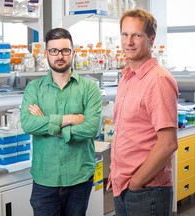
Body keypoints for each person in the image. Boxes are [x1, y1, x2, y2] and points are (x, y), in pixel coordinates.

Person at [20, 27, 103, 216]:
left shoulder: (89, 88)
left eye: (65, 50)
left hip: (79, 177)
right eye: (54, 51)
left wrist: (49, 126)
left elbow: (91, 129)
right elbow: (28, 124)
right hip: (45, 179)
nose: (60, 56)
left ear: (73, 53)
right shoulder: (34, 88)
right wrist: (70, 119)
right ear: (46, 54)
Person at [108, 9, 179, 216]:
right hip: (125, 185)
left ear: (151, 39)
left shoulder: (157, 80)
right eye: (124, 34)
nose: (129, 41)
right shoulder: (127, 77)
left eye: (137, 35)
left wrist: (137, 183)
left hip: (146, 188)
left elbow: (168, 143)